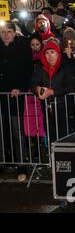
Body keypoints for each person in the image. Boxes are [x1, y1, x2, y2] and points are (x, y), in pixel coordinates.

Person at [0, 22, 34, 181]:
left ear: (14, 33)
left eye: (9, 31)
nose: (6, 34)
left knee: (16, 131)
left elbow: (27, 71)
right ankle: (3, 162)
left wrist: (19, 88)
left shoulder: (22, 48)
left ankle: (22, 165)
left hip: (15, 97)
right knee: (1, 132)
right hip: (1, 97)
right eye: (2, 32)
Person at [31, 40, 75, 142]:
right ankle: (52, 157)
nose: (49, 55)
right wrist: (37, 89)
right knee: (51, 138)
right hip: (47, 109)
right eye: (47, 53)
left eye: (52, 52)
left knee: (64, 138)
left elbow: (71, 86)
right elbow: (33, 83)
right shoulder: (40, 68)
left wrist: (52, 92)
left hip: (63, 109)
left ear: (57, 53)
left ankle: (64, 158)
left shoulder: (65, 67)